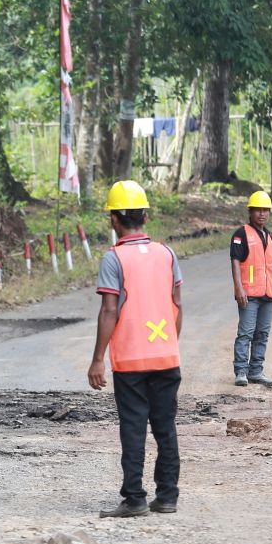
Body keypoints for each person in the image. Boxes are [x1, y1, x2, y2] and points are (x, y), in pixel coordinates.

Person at [88, 180, 183, 518]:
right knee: (165, 426)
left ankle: (135, 499)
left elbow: (109, 310)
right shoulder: (167, 254)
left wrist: (98, 358)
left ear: (114, 220)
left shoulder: (114, 259)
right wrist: (170, 344)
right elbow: (176, 304)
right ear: (145, 215)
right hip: (166, 357)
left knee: (133, 428)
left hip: (130, 362)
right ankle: (168, 496)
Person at [230, 190, 272, 386]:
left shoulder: (268, 236)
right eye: (258, 210)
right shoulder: (241, 234)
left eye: (265, 210)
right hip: (249, 295)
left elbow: (269, 268)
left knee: (262, 334)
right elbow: (235, 262)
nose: (262, 214)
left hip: (267, 294)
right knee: (246, 333)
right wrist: (239, 288)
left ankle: (256, 371)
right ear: (250, 212)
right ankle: (241, 372)